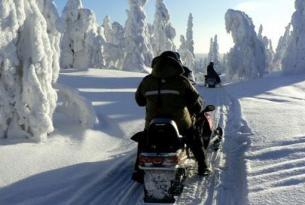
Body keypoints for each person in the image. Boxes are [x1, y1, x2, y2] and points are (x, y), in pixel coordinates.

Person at [132, 51, 210, 183]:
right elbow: (196, 104)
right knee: (194, 137)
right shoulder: (182, 81)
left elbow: (140, 102)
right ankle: (203, 166)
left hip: (153, 124)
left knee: (145, 140)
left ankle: (139, 171)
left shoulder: (147, 81)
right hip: (180, 124)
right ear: (177, 63)